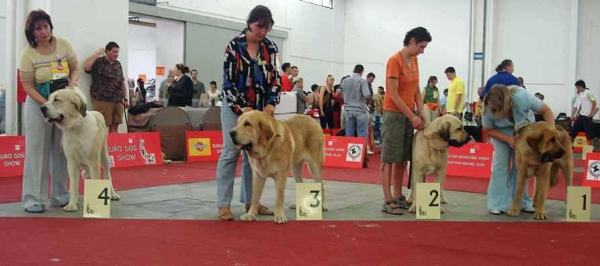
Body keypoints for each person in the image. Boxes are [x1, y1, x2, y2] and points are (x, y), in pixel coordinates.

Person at [217, 5, 281, 221]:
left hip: (261, 109)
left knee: (252, 155)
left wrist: (271, 103)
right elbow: (227, 82)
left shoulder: (271, 48)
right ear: (249, 23)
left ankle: (251, 202)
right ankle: (223, 204)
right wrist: (242, 107)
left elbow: (276, 79)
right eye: (259, 26)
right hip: (235, 106)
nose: (262, 31)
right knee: (230, 152)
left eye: (267, 27)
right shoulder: (233, 47)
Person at [19, 10, 79, 213]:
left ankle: (60, 195)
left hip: (62, 106)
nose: (43, 31)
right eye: (38, 28)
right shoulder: (28, 53)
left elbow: (75, 68)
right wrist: (48, 105)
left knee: (61, 150)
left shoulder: (64, 45)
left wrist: (72, 84)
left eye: (46, 26)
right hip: (38, 106)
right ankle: (33, 199)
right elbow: (27, 86)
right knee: (37, 151)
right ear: (32, 32)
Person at [482, 84, 555, 215]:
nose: (494, 112)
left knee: (521, 167)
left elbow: (546, 111)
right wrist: (507, 138)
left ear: (506, 104)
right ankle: (497, 204)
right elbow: (488, 130)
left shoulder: (522, 97)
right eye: (493, 110)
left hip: (526, 131)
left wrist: (552, 134)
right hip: (500, 133)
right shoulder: (487, 107)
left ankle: (523, 202)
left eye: (497, 109)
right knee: (501, 164)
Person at [380, 27, 431, 215]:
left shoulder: (415, 60)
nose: (422, 51)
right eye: (421, 46)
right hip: (394, 114)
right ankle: (387, 199)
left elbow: (417, 88)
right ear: (412, 41)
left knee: (402, 157)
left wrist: (420, 109)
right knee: (389, 157)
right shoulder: (394, 61)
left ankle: (398, 194)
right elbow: (393, 94)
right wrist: (413, 116)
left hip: (409, 113)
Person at [83, 42, 129, 133]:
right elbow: (86, 67)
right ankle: (104, 146)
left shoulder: (117, 64)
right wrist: (97, 54)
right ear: (107, 51)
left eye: (117, 52)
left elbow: (122, 82)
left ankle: (114, 146)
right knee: (103, 125)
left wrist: (126, 98)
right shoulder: (99, 62)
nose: (116, 54)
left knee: (115, 125)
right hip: (103, 99)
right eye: (114, 51)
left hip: (117, 99)